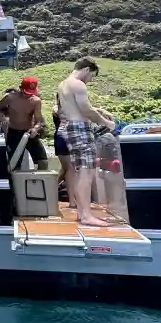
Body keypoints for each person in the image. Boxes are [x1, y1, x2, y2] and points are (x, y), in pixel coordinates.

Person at [56, 57, 116, 227]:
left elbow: (70, 108)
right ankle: (87, 216)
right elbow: (85, 109)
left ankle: (82, 213)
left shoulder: (64, 84)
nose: (90, 80)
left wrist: (99, 110)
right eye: (92, 76)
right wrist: (106, 123)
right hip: (80, 129)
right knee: (86, 172)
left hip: (69, 127)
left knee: (79, 171)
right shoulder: (79, 84)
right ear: (87, 70)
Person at [0, 76, 48, 171]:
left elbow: (40, 120)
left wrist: (36, 128)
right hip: (14, 133)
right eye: (26, 93)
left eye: (30, 93)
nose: (28, 95)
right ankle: (15, 183)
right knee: (14, 164)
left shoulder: (36, 101)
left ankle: (38, 182)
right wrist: (2, 118)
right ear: (21, 88)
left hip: (28, 133)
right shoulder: (10, 98)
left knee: (43, 162)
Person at [52, 101, 77, 208]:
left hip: (67, 139)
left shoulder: (72, 107)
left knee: (66, 169)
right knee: (70, 168)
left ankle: (50, 190)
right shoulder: (57, 108)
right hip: (63, 139)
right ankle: (72, 201)